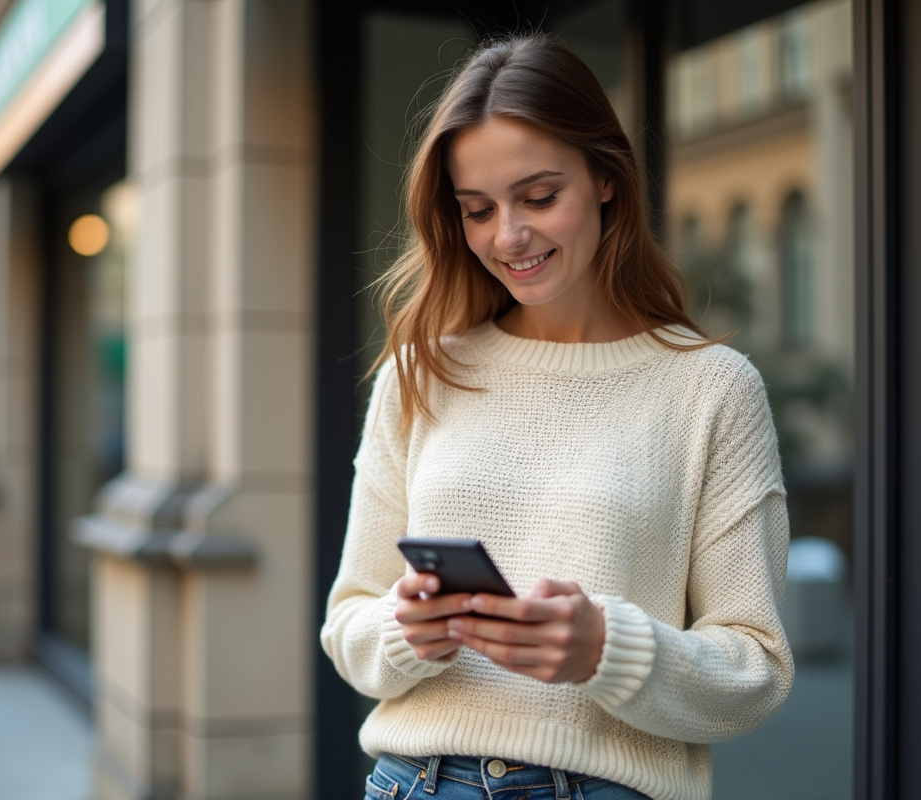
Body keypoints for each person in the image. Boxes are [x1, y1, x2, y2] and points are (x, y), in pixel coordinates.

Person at [320, 34, 793, 800]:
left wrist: (609, 649)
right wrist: (405, 632)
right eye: (478, 210)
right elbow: (348, 625)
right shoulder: (420, 372)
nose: (508, 236)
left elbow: (758, 666)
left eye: (539, 197)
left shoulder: (710, 390)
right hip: (415, 782)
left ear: (606, 180)